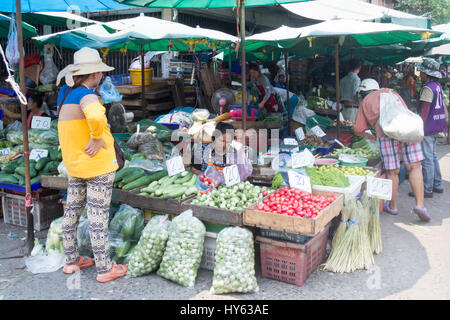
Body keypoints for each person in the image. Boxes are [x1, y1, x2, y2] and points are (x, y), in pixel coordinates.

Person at [56, 47, 127, 282]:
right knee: (97, 217)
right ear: (95, 75)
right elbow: (96, 117)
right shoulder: (88, 95)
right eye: (100, 74)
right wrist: (97, 137)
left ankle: (71, 260)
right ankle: (105, 269)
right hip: (97, 166)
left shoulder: (65, 93)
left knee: (72, 212)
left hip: (75, 165)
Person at [354, 78, 430, 222]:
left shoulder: (365, 102)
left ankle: (393, 206)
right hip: (407, 129)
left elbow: (359, 129)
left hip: (385, 133)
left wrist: (369, 135)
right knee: (414, 166)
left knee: (392, 171)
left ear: (362, 92)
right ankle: (420, 205)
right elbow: (404, 110)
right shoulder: (392, 92)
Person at [408, 58, 446, 198]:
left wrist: (418, 126)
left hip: (428, 126)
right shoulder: (437, 86)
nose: (420, 74)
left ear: (427, 73)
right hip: (438, 125)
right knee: (433, 155)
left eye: (422, 72)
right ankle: (438, 184)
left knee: (427, 158)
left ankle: (427, 188)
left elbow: (424, 110)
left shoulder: (428, 88)